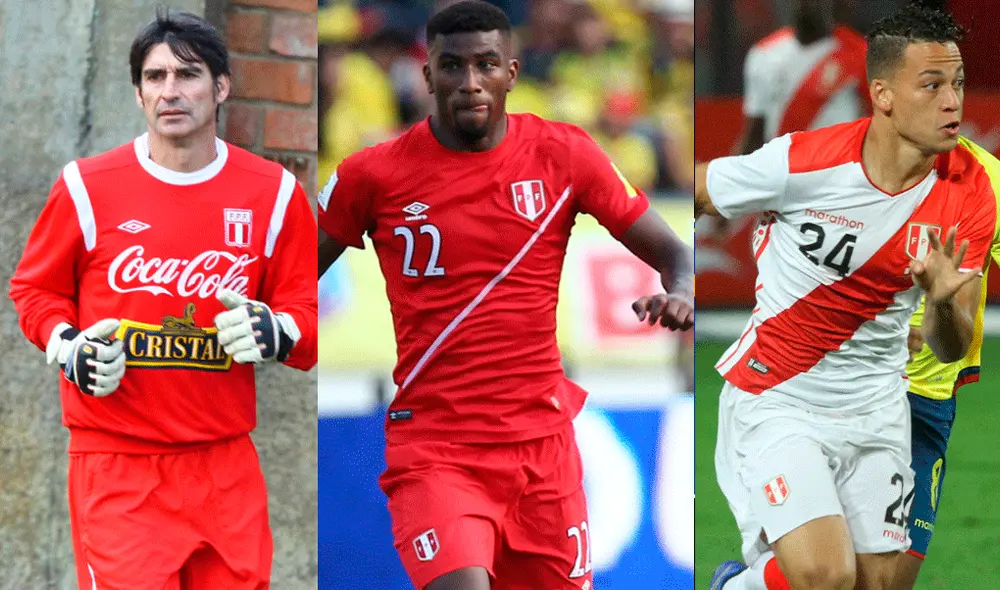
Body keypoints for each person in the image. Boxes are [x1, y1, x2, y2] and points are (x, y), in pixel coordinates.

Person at [317, 2, 693, 588]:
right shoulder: (373, 175)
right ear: (427, 75)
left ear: (511, 72)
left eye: (486, 65)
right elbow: (292, 273)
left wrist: (684, 291)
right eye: (452, 67)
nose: (470, 83)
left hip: (542, 453)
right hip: (437, 448)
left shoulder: (564, 154)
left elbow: (676, 254)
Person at [9, 10, 317, 589]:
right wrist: (68, 346)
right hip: (119, 465)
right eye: (154, 77)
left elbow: (306, 319)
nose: (170, 91)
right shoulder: (87, 185)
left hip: (225, 466)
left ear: (221, 86)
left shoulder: (273, 194)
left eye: (188, 74)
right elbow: (34, 289)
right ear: (137, 92)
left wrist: (279, 331)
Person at [700, 5, 995, 590]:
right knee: (824, 576)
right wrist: (665, 264)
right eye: (932, 85)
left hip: (879, 410)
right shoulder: (804, 161)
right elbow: (703, 189)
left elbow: (950, 342)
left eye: (957, 83)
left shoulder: (971, 191)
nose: (952, 101)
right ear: (883, 94)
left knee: (877, 586)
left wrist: (938, 300)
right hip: (780, 396)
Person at [735, 0, 867, 156]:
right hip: (786, 169)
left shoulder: (857, 52)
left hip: (839, 167)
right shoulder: (764, 53)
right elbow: (754, 134)